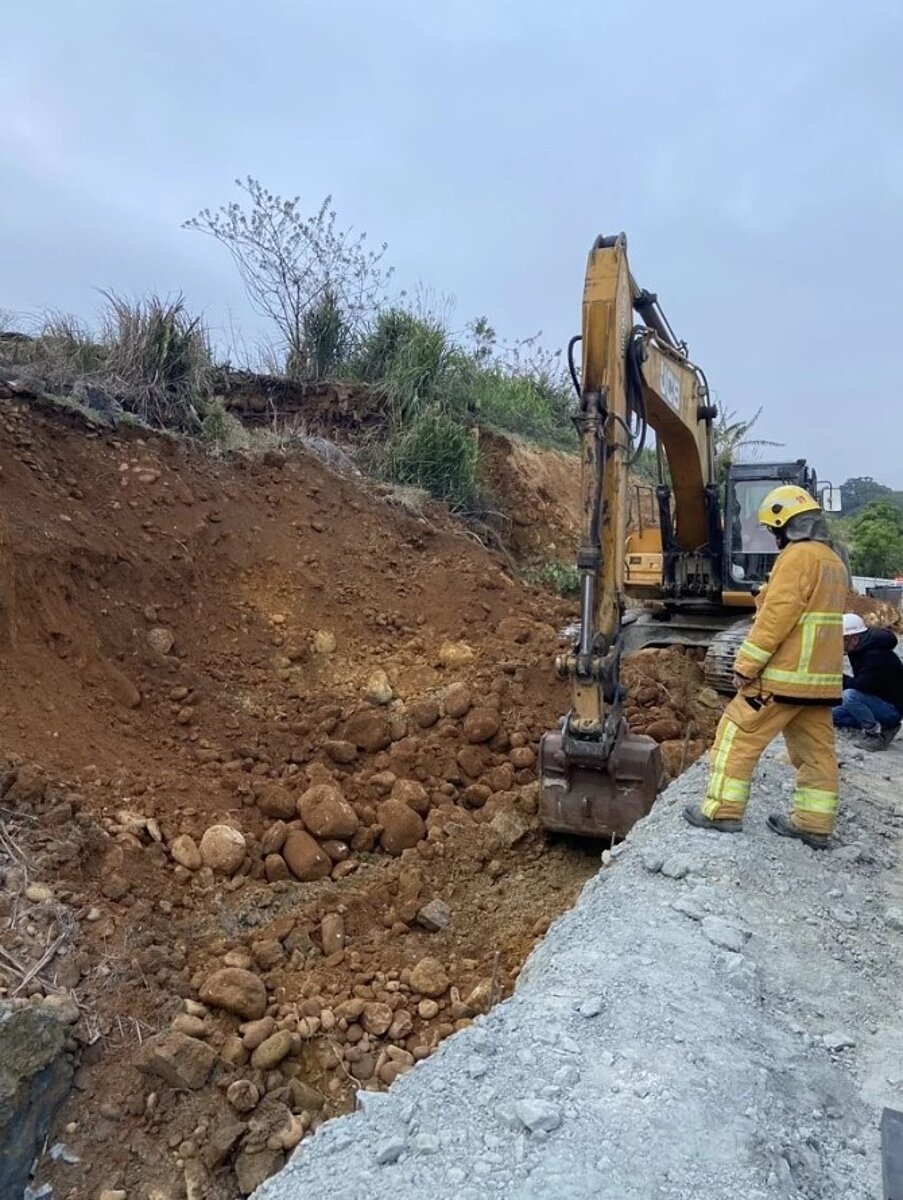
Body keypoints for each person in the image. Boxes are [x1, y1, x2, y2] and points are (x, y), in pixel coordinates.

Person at [683, 485, 848, 850]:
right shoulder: (833, 563)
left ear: (785, 524)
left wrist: (746, 665)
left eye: (775, 530)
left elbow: (776, 618)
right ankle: (814, 824)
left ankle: (722, 811)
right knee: (815, 753)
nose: (774, 538)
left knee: (736, 733)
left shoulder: (797, 558)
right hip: (819, 683)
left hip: (783, 677)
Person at [833, 613, 903, 750]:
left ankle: (876, 734)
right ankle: (878, 724)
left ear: (854, 638)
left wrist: (836, 677)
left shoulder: (875, 656)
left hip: (892, 710)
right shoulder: (859, 650)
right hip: (876, 700)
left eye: (842, 640)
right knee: (835, 715)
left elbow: (860, 686)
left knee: (849, 696)